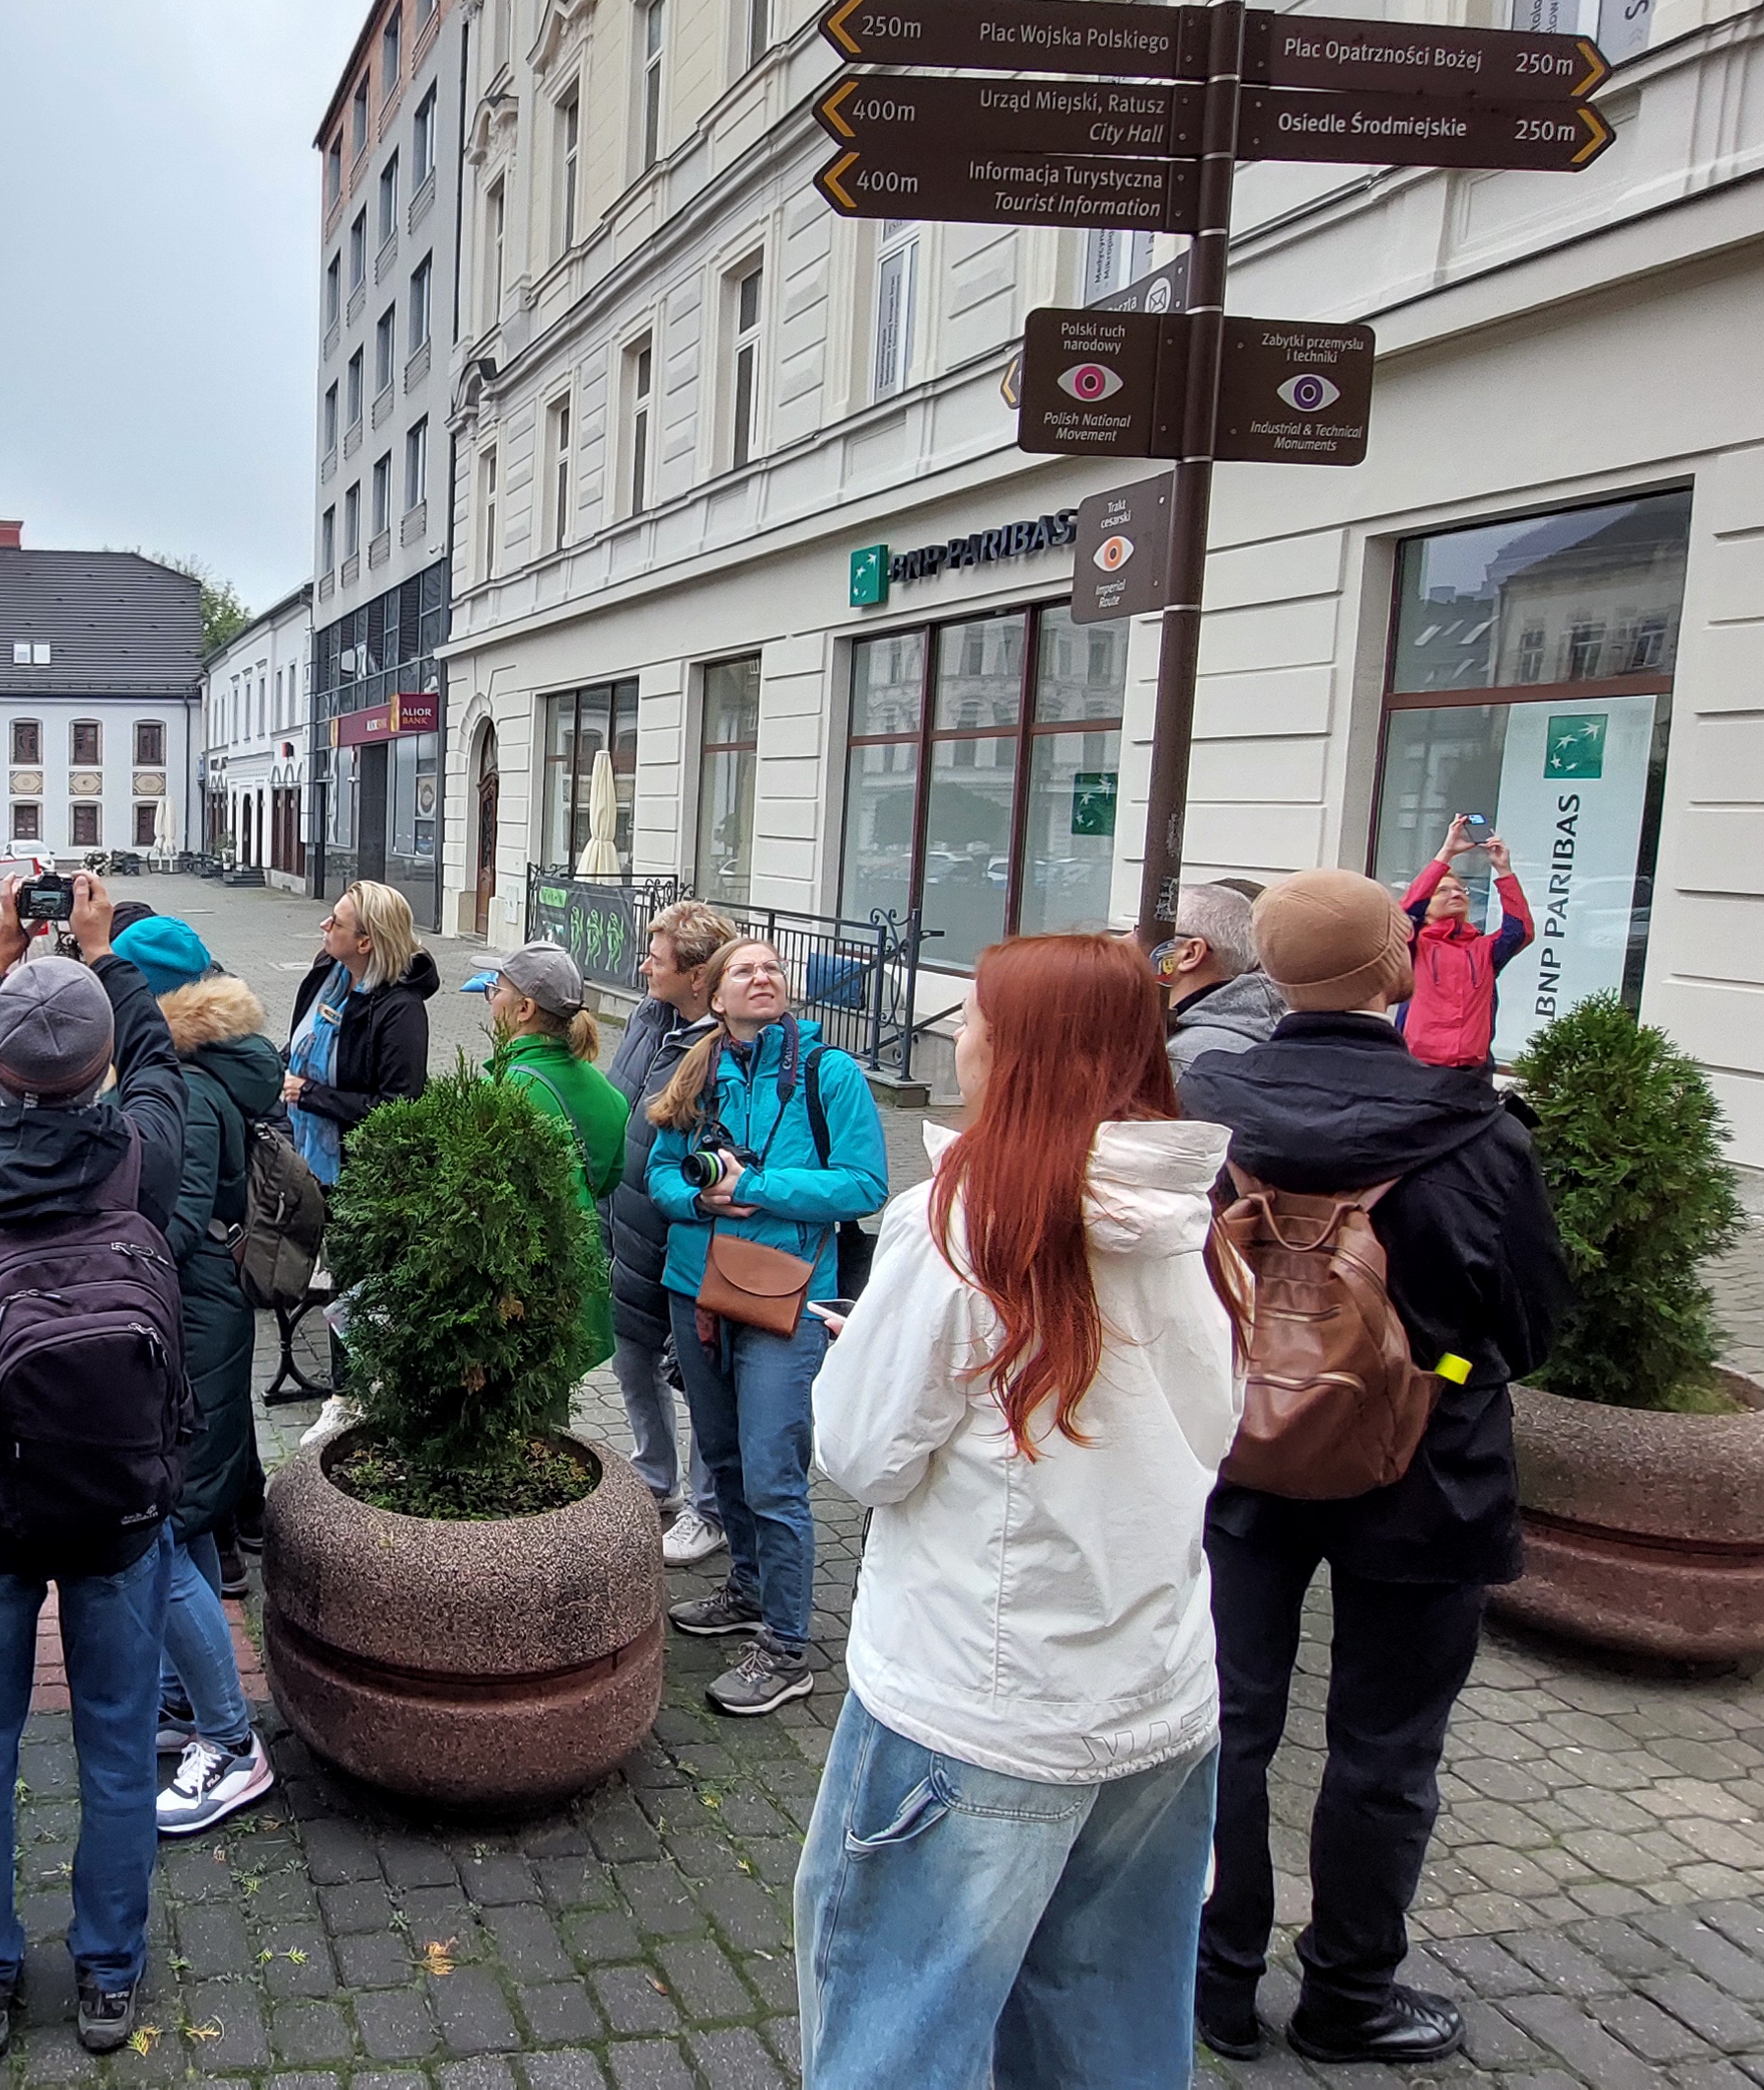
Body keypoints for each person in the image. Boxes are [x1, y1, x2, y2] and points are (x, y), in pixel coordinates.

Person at [796, 934, 1239, 2088]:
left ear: (1027, 1051)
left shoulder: (960, 1226)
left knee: (897, 2030)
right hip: (1159, 1703)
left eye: (978, 1015)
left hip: (975, 1710)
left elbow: (858, 1452)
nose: (959, 1034)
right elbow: (1202, 1427)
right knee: (1110, 2025)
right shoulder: (1193, 1214)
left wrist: (880, 1354)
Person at [1179, 869, 1572, 2065]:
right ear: (1394, 969)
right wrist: (1439, 1370)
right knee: (1385, 1746)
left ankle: (1213, 1978)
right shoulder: (1476, 1125)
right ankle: (1348, 1990)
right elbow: (1534, 1321)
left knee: (1226, 1723)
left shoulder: (1203, 1097)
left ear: (1268, 968)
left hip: (1240, 1451)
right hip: (1428, 1468)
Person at [0, 873, 187, 2062]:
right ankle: (108, 1973)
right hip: (119, 1499)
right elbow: (161, 1055)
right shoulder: (145, 1153)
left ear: (1, 1065)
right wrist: (105, 948)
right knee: (117, 1740)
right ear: (100, 1065)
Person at [643, 937, 888, 1719]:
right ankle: (746, 1591)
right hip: (696, 1289)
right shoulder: (697, 1069)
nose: (763, 976)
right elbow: (657, 1173)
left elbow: (866, 1183)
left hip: (786, 1297)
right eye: (744, 969)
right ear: (714, 996)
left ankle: (786, 1646)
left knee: (774, 1469)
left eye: (773, 967)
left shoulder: (829, 1073)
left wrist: (762, 1187)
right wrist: (700, 1200)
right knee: (721, 1456)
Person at [112, 914, 282, 1839]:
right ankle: (182, 1706)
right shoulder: (209, 1066)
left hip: (191, 1311)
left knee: (171, 1534)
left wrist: (95, 1261)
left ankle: (230, 1738)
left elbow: (172, 1220)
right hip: (199, 1306)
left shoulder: (181, 1082)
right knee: (178, 1522)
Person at [601, 900, 741, 1568]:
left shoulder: (726, 1046)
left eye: (655, 958)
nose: (643, 965)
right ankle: (654, 1477)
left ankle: (707, 1510)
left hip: (687, 1235)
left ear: (695, 977)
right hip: (627, 1221)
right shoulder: (650, 1017)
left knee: (698, 1373)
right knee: (632, 1355)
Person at [470, 940, 624, 1381]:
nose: (490, 999)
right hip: (576, 1286)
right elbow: (608, 1180)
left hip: (519, 1296)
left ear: (524, 1010)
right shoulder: (606, 1092)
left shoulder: (505, 1091)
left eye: (495, 989)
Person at [281, 880, 437, 1184]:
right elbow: (303, 1043)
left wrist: (308, 1093)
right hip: (296, 1152)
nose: (324, 924)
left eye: (336, 922)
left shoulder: (402, 1010)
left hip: (354, 1175)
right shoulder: (328, 971)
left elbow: (398, 1107)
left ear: (364, 943)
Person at [1396, 816, 1533, 1069]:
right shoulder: (1414, 944)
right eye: (1443, 890)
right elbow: (1407, 912)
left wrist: (1504, 870)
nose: (1456, 893)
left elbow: (1520, 931)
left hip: (1473, 1073)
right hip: (1418, 1069)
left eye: (1460, 889)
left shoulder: (1484, 949)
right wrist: (1445, 854)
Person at [1158, 879, 1286, 1078]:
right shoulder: (1258, 1025)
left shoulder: (1185, 1060)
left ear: (1190, 954)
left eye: (1142, 931)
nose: (1126, 940)